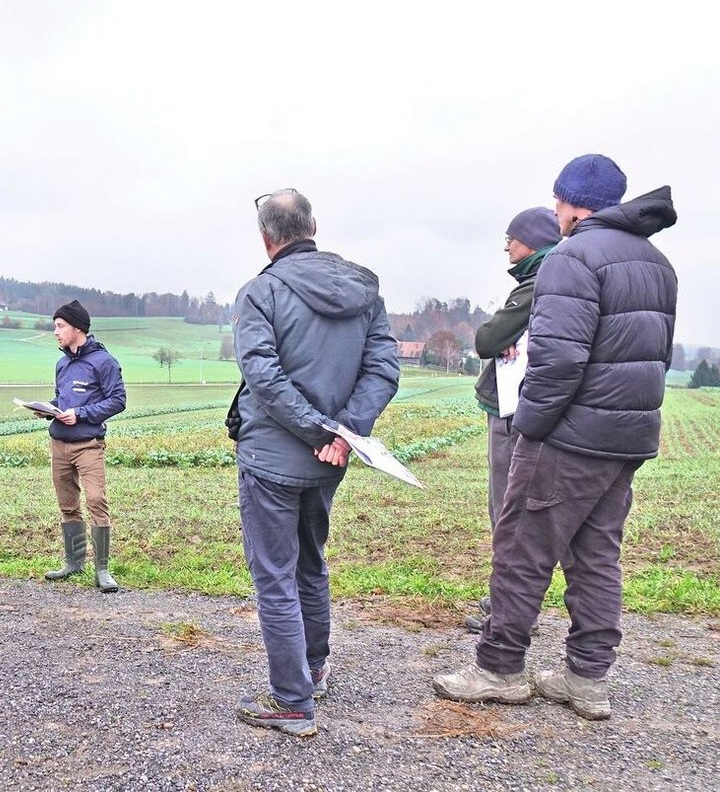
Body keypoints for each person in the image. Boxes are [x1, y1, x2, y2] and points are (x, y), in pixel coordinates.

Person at [434, 155, 678, 721]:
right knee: (597, 557)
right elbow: (657, 355)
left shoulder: (572, 258)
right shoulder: (657, 263)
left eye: (558, 201)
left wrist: (532, 428)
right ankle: (586, 679)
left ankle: (498, 668)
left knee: (522, 547)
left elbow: (558, 359)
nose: (555, 211)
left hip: (568, 437)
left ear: (574, 204)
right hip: (628, 436)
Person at [232, 188, 399, 737]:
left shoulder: (260, 293)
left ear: (266, 238)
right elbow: (383, 371)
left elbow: (263, 376)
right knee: (310, 562)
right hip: (331, 459)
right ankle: (315, 669)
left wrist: (319, 429)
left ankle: (291, 700)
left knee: (275, 574)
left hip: (272, 458)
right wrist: (344, 433)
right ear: (313, 227)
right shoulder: (364, 291)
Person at [464, 209, 562, 633]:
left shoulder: (536, 284)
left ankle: (509, 613)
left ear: (533, 242)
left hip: (511, 412)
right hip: (529, 410)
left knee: (507, 510)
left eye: (511, 238)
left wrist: (508, 337)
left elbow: (487, 339)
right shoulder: (555, 278)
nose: (506, 246)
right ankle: (509, 605)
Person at [40, 299, 127, 592]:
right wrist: (48, 409)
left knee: (96, 502)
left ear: (77, 328)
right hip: (58, 444)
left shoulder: (105, 362)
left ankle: (102, 570)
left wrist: (81, 414)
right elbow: (62, 400)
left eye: (60, 326)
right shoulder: (62, 364)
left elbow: (118, 401)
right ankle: (73, 562)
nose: (56, 332)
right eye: (55, 326)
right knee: (67, 505)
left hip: (88, 445)